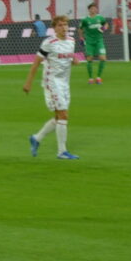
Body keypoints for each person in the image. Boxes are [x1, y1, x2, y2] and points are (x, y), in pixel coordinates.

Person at [23, 15, 81, 160]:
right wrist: (28, 82)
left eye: (66, 25)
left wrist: (74, 59)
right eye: (60, 25)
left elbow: (69, 57)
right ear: (54, 28)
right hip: (52, 82)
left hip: (65, 83)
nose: (64, 28)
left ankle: (36, 138)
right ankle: (62, 152)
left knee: (58, 117)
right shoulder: (49, 43)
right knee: (63, 115)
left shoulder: (71, 41)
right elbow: (36, 63)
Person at [77, 2, 112, 84]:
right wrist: (81, 38)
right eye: (92, 8)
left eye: (95, 8)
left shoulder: (100, 18)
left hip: (99, 41)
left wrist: (103, 28)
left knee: (103, 58)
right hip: (89, 42)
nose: (94, 10)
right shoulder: (85, 20)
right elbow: (80, 29)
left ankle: (98, 77)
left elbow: (106, 24)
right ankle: (90, 78)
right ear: (89, 10)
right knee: (89, 59)